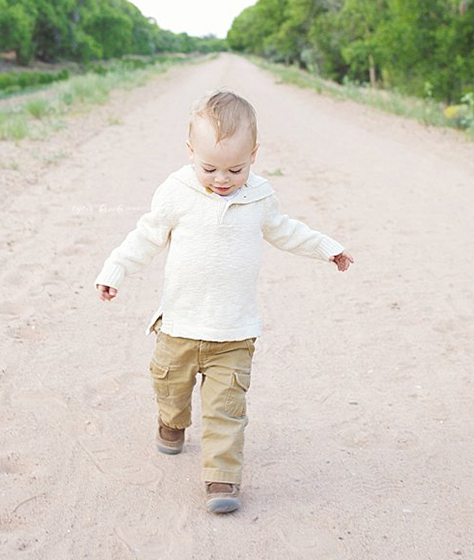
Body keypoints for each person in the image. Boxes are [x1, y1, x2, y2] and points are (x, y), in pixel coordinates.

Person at [95, 89, 353, 514]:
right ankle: (172, 424)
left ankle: (223, 479)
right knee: (169, 389)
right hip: (178, 327)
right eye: (209, 167)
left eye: (236, 168)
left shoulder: (259, 197)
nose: (222, 179)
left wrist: (327, 247)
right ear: (190, 151)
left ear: (254, 154)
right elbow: (146, 235)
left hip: (233, 332)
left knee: (226, 410)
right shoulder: (177, 191)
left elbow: (286, 230)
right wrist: (114, 270)